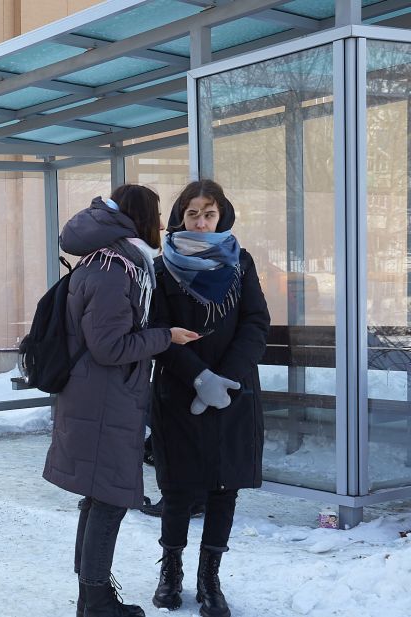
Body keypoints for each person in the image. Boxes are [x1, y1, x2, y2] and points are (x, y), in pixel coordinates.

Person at [42, 185, 201, 617]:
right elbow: (109, 347)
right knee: (109, 499)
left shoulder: (111, 260)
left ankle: (92, 596)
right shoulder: (115, 268)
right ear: (140, 217)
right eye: (157, 215)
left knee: (98, 497)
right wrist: (165, 336)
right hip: (102, 401)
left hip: (101, 398)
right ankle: (95, 599)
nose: (161, 225)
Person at [148, 180, 270, 617]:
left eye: (209, 213)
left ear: (222, 216)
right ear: (181, 215)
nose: (201, 221)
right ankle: (172, 572)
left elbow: (256, 322)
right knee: (177, 488)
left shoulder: (241, 262)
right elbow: (157, 329)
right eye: (193, 213)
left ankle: (209, 578)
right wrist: (199, 378)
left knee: (224, 488)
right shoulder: (161, 268)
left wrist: (225, 379)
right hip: (179, 391)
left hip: (234, 392)